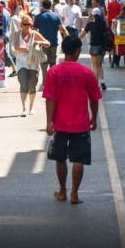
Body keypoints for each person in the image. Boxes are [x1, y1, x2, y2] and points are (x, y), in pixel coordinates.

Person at [44, 36, 101, 204]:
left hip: (60, 123)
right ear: (77, 51)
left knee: (60, 157)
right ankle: (75, 194)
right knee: (78, 159)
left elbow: (50, 98)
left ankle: (62, 191)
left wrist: (49, 121)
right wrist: (94, 118)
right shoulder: (86, 72)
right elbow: (94, 99)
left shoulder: (54, 71)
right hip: (81, 124)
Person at [12, 14, 51, 116]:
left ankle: (31, 107)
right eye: (25, 24)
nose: (27, 26)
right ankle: (24, 108)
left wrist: (38, 42)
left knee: (32, 86)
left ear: (31, 24)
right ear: (21, 25)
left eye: (29, 24)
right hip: (21, 64)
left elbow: (48, 43)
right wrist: (30, 48)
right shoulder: (17, 34)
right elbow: (17, 47)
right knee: (23, 84)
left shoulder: (34, 34)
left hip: (34, 63)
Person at [34, 0, 67, 89]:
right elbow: (62, 29)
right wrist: (67, 38)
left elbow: (35, 31)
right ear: (51, 6)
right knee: (53, 63)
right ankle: (53, 82)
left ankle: (45, 83)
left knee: (44, 63)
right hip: (53, 43)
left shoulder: (38, 17)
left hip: (43, 44)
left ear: (42, 6)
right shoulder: (56, 16)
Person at [80, 8, 108, 91]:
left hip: (93, 46)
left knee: (95, 67)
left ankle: (95, 85)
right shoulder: (103, 23)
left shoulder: (90, 23)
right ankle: (102, 82)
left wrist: (77, 40)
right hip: (101, 47)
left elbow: (83, 34)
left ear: (92, 14)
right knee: (99, 66)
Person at [1, 1, 18, 78]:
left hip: (3, 35)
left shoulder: (2, 13)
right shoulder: (7, 12)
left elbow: (2, 25)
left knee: (5, 53)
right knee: (4, 52)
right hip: (6, 34)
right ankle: (14, 69)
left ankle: (15, 69)